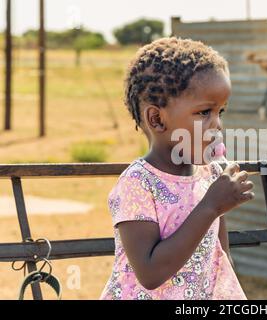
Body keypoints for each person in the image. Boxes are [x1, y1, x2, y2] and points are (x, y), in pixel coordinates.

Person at [100, 37, 254, 300]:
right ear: (157, 119)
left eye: (221, 112)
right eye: (204, 112)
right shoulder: (138, 183)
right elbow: (150, 274)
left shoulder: (212, 176)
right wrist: (211, 206)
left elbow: (219, 258)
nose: (217, 124)